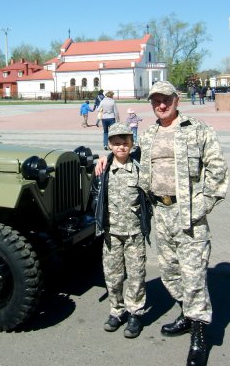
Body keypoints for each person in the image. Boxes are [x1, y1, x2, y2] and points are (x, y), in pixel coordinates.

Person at [95, 81, 229, 366]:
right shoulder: (149, 135)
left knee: (193, 276)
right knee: (170, 274)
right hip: (161, 213)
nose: (161, 105)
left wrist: (200, 207)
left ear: (176, 99)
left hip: (189, 216)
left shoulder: (198, 130)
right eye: (156, 100)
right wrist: (104, 160)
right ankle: (186, 314)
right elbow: (125, 154)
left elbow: (217, 170)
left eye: (166, 99)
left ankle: (199, 336)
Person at [90, 122, 151, 339]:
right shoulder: (103, 170)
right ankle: (116, 311)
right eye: (116, 143)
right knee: (113, 276)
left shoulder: (139, 168)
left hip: (134, 233)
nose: (121, 147)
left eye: (125, 143)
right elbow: (94, 198)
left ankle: (135, 314)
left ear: (131, 144)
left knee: (136, 275)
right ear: (109, 145)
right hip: (111, 234)